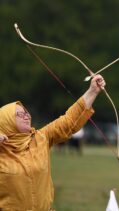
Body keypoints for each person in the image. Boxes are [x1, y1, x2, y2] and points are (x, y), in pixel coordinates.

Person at [0, 74, 105, 211]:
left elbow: (68, 122)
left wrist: (92, 91)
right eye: (20, 114)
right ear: (6, 121)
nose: (27, 116)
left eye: (27, 113)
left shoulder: (41, 138)